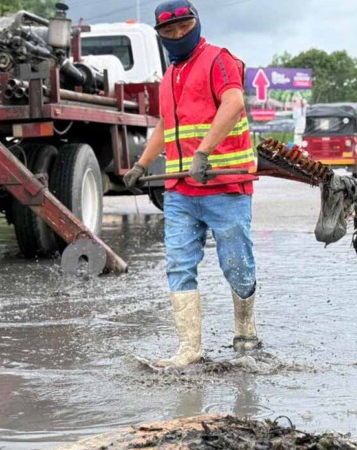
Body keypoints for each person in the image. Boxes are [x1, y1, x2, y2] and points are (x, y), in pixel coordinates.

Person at [124, 0, 259, 368]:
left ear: (196, 23)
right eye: (169, 30)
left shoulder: (219, 59)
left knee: (237, 265)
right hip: (181, 191)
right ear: (160, 35)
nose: (178, 34)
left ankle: (245, 329)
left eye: (184, 26)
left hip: (225, 186)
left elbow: (233, 104)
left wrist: (203, 153)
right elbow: (165, 125)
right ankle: (189, 349)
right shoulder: (169, 76)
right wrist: (141, 164)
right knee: (179, 264)